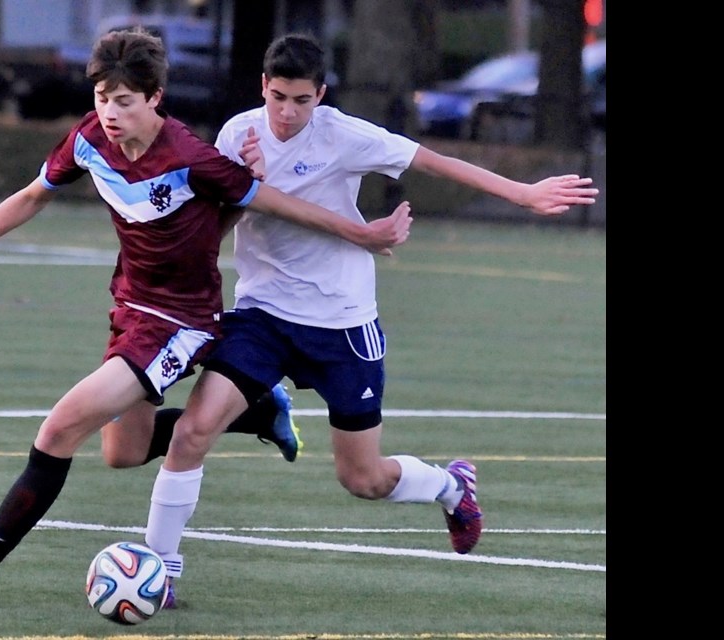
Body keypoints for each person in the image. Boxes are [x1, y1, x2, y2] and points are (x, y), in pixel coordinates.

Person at [0, 27, 412, 607]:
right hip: (129, 308)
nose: (110, 112)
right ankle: (259, 413)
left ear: (155, 97)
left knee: (59, 429)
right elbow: (29, 197)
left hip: (181, 322)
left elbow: (276, 205)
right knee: (121, 452)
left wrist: (362, 234)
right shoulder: (90, 141)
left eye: (124, 101)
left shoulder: (191, 157)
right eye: (102, 98)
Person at [141, 33, 599, 607]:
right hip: (262, 316)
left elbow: (433, 159)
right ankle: (161, 574)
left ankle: (451, 486)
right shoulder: (239, 134)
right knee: (192, 432)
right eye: (278, 96)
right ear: (263, 87)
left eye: (301, 100)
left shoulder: (343, 135)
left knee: (362, 479)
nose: (286, 112)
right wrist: (241, 191)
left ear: (320, 96)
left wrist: (524, 194)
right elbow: (221, 221)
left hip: (341, 323)